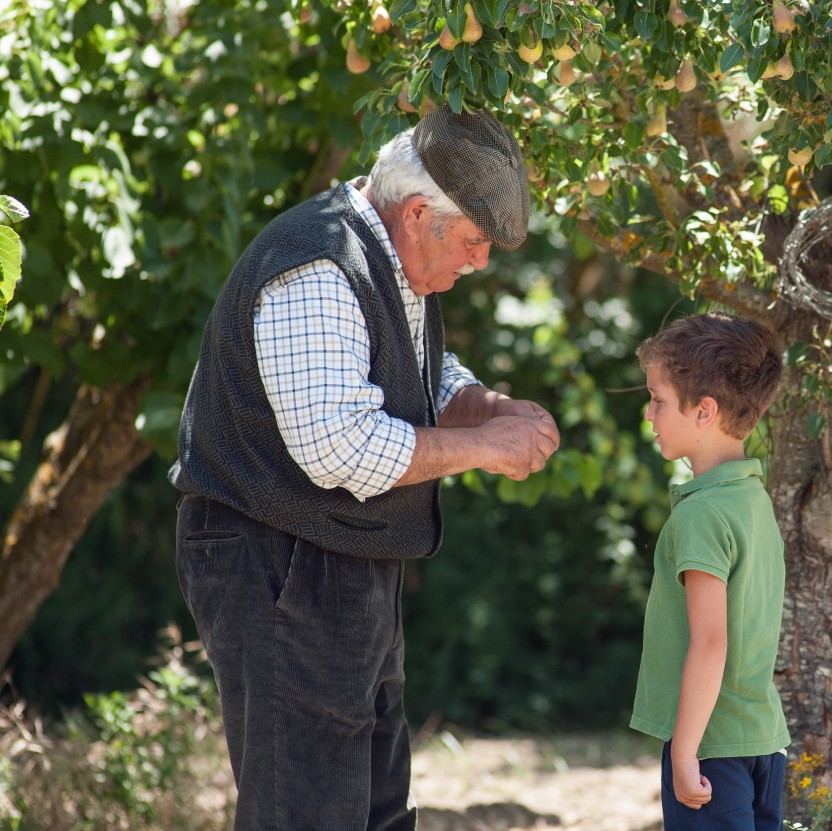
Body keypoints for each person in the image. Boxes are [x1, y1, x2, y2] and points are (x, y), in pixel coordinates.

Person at [169, 107, 560, 831]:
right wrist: (485, 446)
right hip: (278, 563)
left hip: (341, 561)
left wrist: (489, 406)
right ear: (418, 213)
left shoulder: (390, 253)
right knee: (309, 813)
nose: (479, 262)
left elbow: (413, 376)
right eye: (474, 243)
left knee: (376, 811)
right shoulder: (318, 261)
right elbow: (341, 445)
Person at [630, 312, 791, 830]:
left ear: (704, 411)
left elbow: (710, 642)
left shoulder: (701, 514)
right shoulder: (751, 498)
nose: (649, 413)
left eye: (657, 399)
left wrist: (684, 752)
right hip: (763, 742)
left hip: (711, 749)